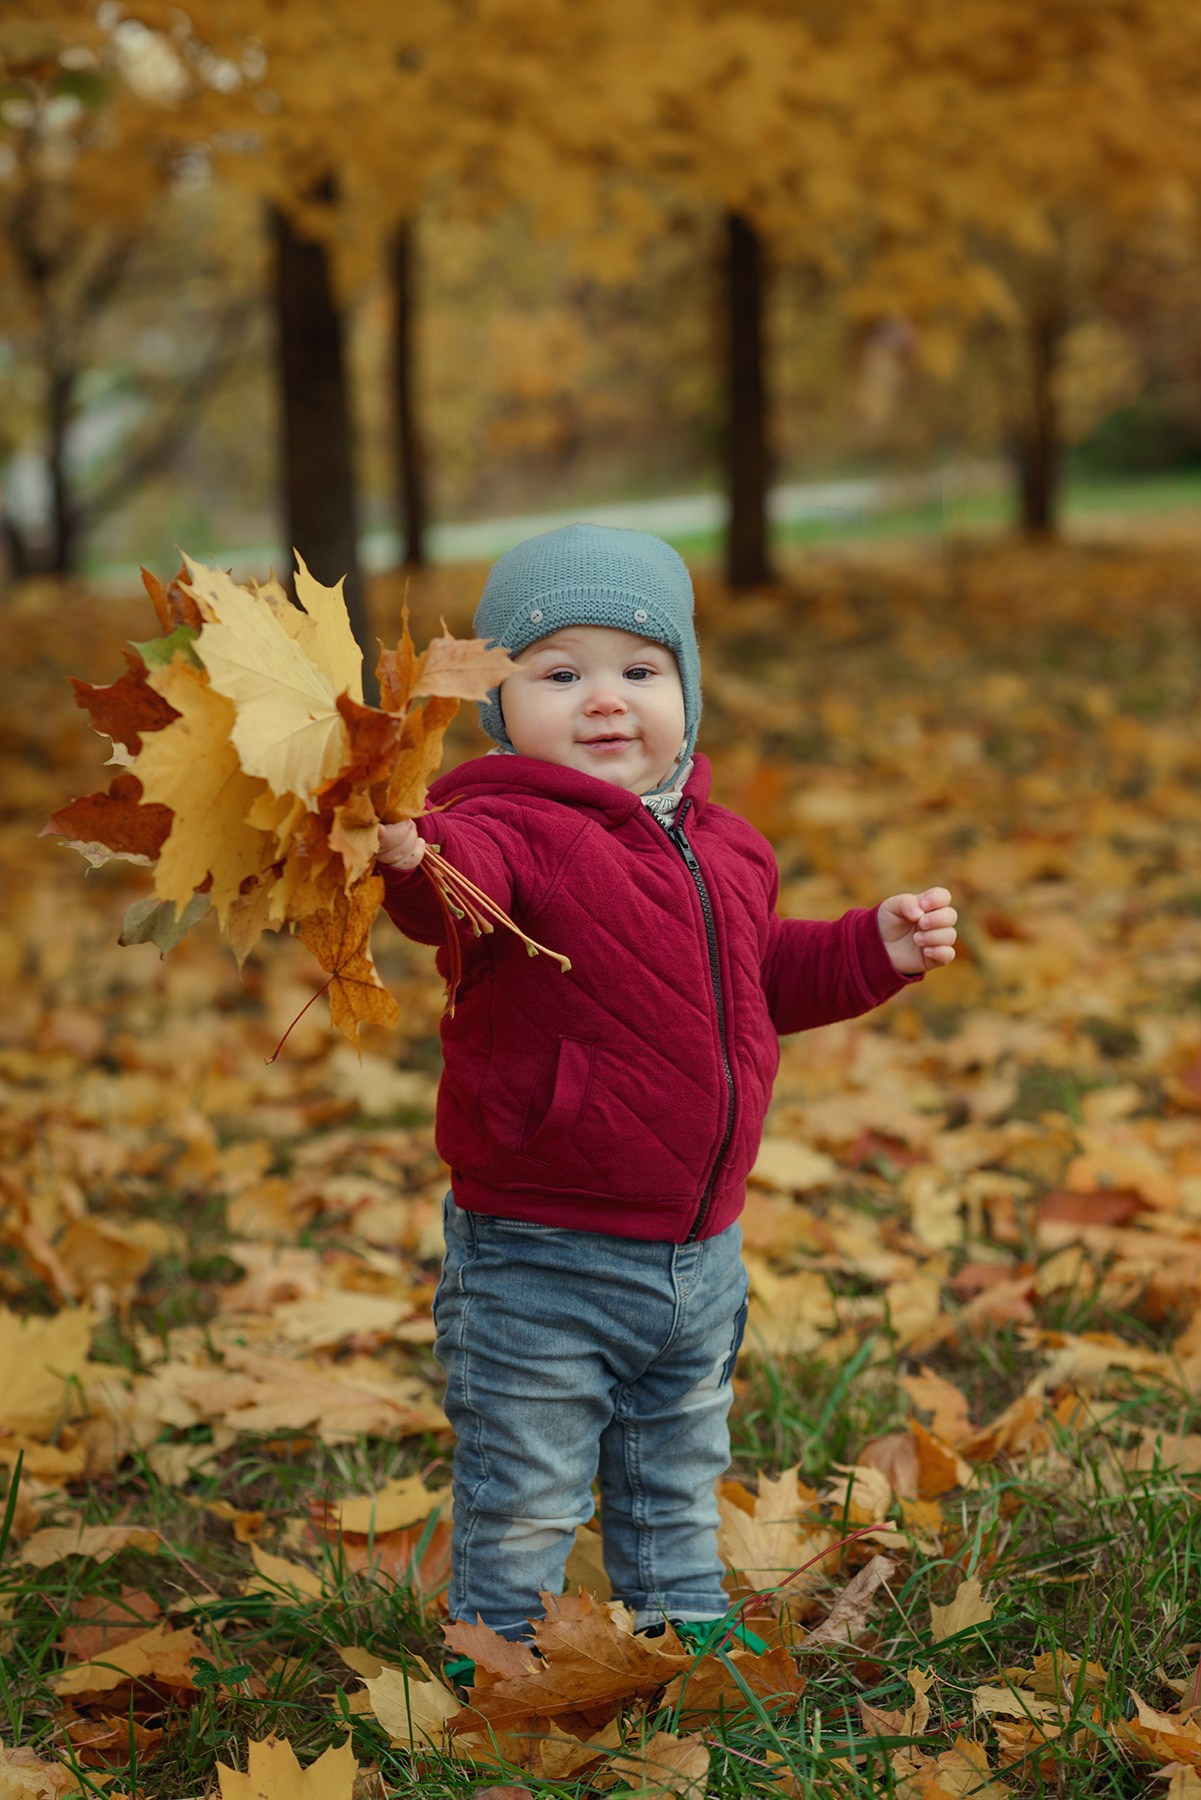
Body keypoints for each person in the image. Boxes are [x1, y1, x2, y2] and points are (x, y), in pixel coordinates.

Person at [375, 523, 956, 1659]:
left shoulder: (727, 848)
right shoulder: (498, 829)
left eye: (640, 671)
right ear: (500, 707)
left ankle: (681, 1622)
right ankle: (500, 1648)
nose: (605, 700)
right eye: (560, 673)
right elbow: (456, 893)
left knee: (677, 1461)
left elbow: (764, 978)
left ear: (685, 690)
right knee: (528, 1482)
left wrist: (869, 950)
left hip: (702, 1254)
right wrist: (413, 859)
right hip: (541, 1252)